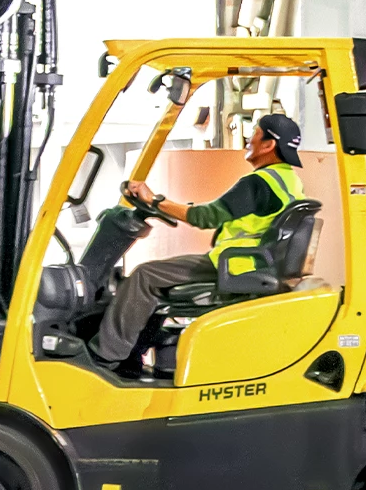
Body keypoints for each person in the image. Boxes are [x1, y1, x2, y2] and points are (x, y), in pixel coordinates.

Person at [93, 113, 308, 371]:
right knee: (155, 281)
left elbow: (205, 217)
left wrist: (154, 201)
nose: (249, 138)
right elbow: (216, 212)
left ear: (268, 145)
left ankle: (104, 357)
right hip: (256, 263)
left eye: (255, 133)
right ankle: (133, 357)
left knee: (144, 276)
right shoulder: (288, 180)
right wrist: (167, 207)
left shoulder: (258, 183)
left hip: (237, 265)